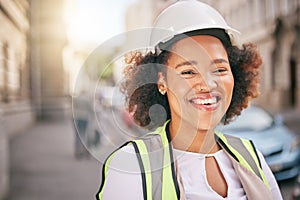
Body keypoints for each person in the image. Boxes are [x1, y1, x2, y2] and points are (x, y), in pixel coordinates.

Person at [96, 1, 283, 199]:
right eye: (188, 71)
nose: (208, 84)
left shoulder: (252, 156)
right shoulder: (131, 167)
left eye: (219, 69)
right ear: (161, 82)